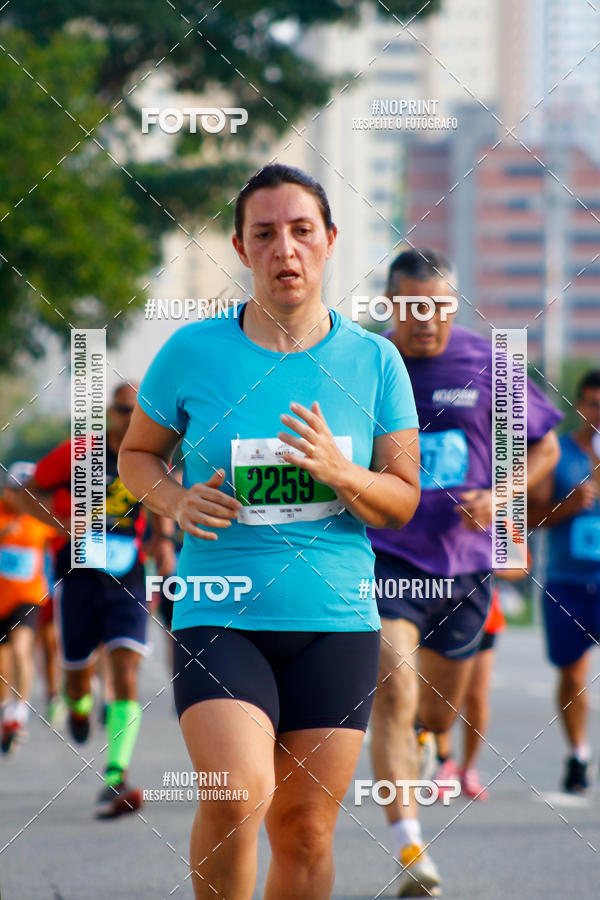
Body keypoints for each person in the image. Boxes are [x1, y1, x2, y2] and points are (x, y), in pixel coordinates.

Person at [118, 163, 421, 900]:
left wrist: (343, 474)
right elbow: (136, 455)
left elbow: (404, 498)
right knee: (235, 795)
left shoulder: (374, 360)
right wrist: (175, 501)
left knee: (305, 829)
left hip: (334, 621)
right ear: (241, 246)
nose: (285, 248)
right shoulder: (194, 352)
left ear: (329, 242)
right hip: (220, 608)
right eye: (265, 233)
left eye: (301, 231)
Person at [368, 248, 562, 897]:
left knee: (435, 711)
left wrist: (502, 495)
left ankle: (429, 739)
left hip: (465, 566)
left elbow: (546, 446)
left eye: (440, 307)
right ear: (391, 306)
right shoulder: (365, 362)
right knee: (393, 689)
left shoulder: (488, 361)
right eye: (413, 307)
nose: (427, 321)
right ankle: (409, 849)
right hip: (388, 556)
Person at [17, 383, 175, 817]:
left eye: (142, 410)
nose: (132, 419)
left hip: (129, 576)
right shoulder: (79, 451)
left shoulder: (153, 455)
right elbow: (22, 492)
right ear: (110, 413)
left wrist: (163, 542)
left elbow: (163, 498)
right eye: (125, 410)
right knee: (77, 676)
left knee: (126, 666)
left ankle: (116, 775)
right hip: (80, 576)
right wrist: (62, 522)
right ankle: (80, 705)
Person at [529, 369, 600, 794]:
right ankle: (578, 753)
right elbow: (531, 517)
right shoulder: (558, 454)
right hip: (567, 583)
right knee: (572, 676)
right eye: (593, 404)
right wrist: (568, 505)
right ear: (578, 406)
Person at [0, 461, 55, 753]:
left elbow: (65, 536)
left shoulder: (41, 516)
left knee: (23, 648)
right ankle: (6, 709)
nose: (23, 497)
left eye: (29, 492)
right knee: (3, 662)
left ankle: (19, 712)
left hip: (29, 597)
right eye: (16, 491)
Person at [433, 585, 506, 802]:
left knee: (476, 696)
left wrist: (490, 562)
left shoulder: (498, 548)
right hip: (441, 608)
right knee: (443, 694)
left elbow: (519, 565)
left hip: (483, 614)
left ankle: (468, 769)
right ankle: (444, 762)